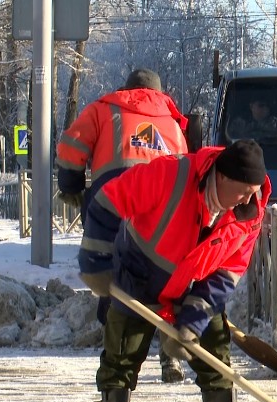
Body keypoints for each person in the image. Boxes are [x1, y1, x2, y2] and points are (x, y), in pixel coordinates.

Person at [77, 139, 270, 402]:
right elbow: (107, 202)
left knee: (215, 354)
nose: (249, 200)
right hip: (138, 277)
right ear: (220, 177)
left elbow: (229, 272)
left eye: (254, 191)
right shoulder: (171, 175)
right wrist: (97, 262)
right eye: (243, 191)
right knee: (122, 353)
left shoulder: (249, 213)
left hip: (194, 285)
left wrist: (192, 321)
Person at [55, 68, 190, 384]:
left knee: (111, 271)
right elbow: (187, 168)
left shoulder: (104, 108)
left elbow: (71, 146)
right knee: (165, 276)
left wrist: (72, 185)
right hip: (163, 208)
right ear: (160, 93)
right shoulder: (172, 122)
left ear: (125, 89)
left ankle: (115, 353)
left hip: (114, 202)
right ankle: (170, 356)